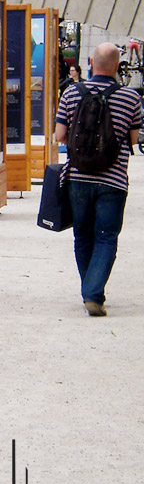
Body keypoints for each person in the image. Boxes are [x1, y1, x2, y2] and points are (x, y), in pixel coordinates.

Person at [54, 43, 142, 316]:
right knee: (106, 237)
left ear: (90, 62)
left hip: (78, 178)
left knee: (82, 235)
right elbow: (133, 140)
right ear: (117, 66)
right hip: (113, 181)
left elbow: (59, 136)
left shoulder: (71, 92)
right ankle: (93, 293)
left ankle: (90, 291)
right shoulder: (131, 98)